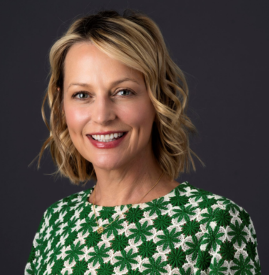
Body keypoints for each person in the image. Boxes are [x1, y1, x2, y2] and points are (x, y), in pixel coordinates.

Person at [24, 9, 261, 275]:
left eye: (124, 92)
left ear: (158, 98)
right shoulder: (56, 221)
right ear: (60, 106)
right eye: (82, 95)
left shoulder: (215, 224)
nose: (102, 116)